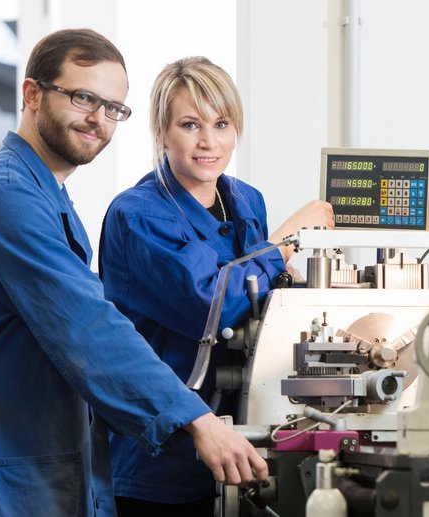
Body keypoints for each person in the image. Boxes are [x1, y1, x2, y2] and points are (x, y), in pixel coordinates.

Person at [0, 30, 267, 517]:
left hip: (44, 466)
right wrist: (197, 419)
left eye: (113, 107)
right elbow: (85, 326)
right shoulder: (2, 193)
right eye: (83, 98)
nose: (98, 119)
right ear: (32, 94)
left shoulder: (48, 198)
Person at [98, 56, 333, 514]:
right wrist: (283, 243)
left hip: (241, 441)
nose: (209, 142)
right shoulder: (138, 214)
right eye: (190, 124)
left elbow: (258, 302)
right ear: (162, 132)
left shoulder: (246, 199)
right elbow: (211, 306)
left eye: (222, 124)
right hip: (161, 457)